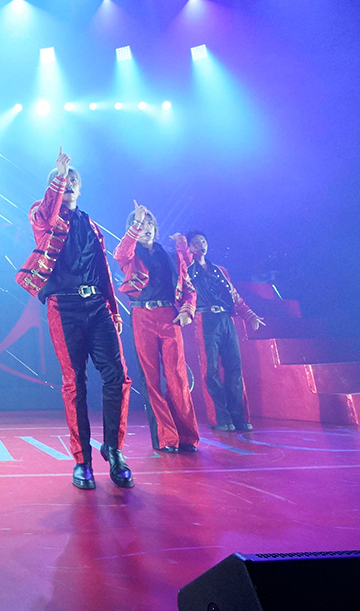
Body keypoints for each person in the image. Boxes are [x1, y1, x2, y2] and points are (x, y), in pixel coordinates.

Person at [16, 149, 133, 490]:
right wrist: (59, 174)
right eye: (62, 182)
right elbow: (46, 212)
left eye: (72, 182)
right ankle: (82, 460)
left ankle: (114, 449)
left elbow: (104, 271)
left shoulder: (92, 226)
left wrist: (113, 310)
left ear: (80, 189)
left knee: (117, 376)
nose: (67, 185)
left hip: (96, 305)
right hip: (63, 307)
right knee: (74, 381)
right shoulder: (43, 217)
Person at [114, 204, 198, 453]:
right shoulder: (130, 255)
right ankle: (166, 437)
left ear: (156, 228)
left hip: (169, 316)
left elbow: (188, 287)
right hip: (142, 316)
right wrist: (136, 223)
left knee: (177, 375)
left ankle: (186, 435)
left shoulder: (169, 256)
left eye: (150, 224)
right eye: (141, 225)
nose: (146, 228)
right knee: (151, 378)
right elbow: (120, 253)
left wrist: (187, 310)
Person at [184, 230, 264, 433]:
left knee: (234, 367)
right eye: (195, 242)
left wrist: (249, 315)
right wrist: (181, 247)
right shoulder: (187, 269)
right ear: (189, 246)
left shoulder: (220, 271)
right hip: (204, 318)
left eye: (203, 241)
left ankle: (239, 417)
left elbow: (234, 296)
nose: (201, 245)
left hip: (226, 319)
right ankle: (219, 417)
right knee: (210, 370)